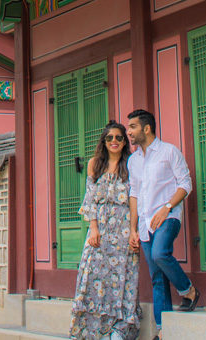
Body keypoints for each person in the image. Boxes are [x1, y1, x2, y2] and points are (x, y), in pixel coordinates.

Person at [126, 109, 200, 339]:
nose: (128, 132)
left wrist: (167, 207)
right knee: (157, 277)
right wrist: (133, 228)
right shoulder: (133, 160)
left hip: (168, 217)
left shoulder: (169, 152)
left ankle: (189, 291)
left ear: (146, 128)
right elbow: (135, 195)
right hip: (146, 222)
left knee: (160, 254)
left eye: (132, 127)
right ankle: (162, 330)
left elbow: (185, 184)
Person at [70, 121, 141, 340]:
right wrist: (93, 228)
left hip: (122, 229)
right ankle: (91, 331)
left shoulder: (130, 165)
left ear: (124, 141)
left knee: (122, 278)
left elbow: (133, 199)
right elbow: (90, 198)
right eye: (109, 138)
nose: (114, 142)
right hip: (99, 229)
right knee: (92, 277)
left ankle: (118, 330)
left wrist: (133, 230)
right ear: (104, 141)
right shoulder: (94, 164)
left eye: (119, 137)